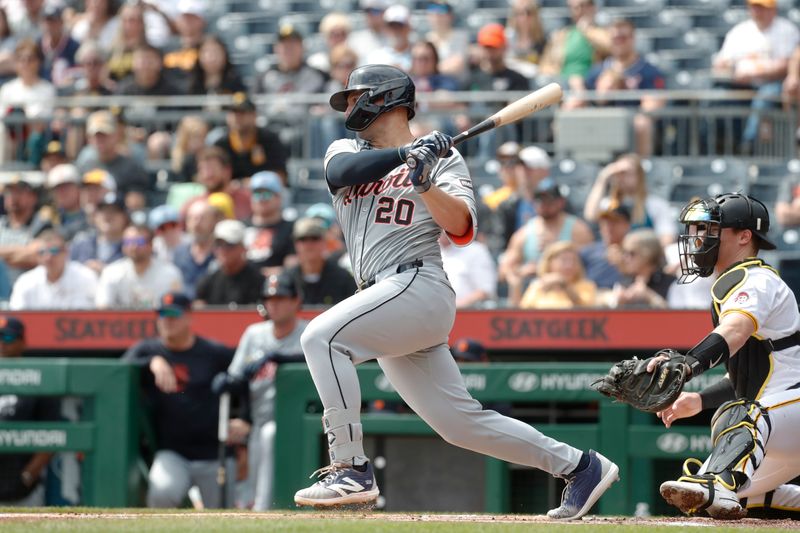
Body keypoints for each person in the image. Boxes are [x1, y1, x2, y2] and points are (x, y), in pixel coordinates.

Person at [291, 64, 619, 518]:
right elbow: (343, 172)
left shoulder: (443, 160)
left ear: (385, 97)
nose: (348, 105)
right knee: (459, 424)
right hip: (382, 298)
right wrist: (408, 153)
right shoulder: (346, 148)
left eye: (355, 95)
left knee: (321, 337)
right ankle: (581, 466)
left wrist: (424, 180)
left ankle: (350, 466)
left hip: (416, 285)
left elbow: (461, 229)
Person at [649, 193, 800, 520]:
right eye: (698, 229)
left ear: (744, 236)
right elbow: (750, 373)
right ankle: (722, 486)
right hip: (777, 421)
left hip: (786, 413)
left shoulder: (756, 279)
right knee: (713, 499)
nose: (698, 238)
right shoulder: (732, 283)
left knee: (736, 420)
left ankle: (718, 481)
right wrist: (700, 399)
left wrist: (689, 364)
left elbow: (735, 332)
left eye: (710, 229)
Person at [122, 292, 235, 509]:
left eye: (174, 314)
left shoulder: (213, 352)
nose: (167, 320)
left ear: (189, 316)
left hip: (215, 453)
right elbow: (116, 374)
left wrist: (244, 421)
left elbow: (242, 381)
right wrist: (150, 362)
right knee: (162, 493)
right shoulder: (148, 349)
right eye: (162, 314)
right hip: (172, 453)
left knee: (223, 515)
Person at [212, 273, 307, 510]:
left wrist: (278, 357)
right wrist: (226, 383)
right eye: (269, 298)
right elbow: (237, 377)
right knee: (260, 438)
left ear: (296, 300)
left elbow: (315, 358)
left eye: (281, 298)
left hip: (298, 423)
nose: (274, 304)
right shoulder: (254, 334)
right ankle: (254, 507)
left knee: (269, 434)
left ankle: (263, 509)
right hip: (257, 420)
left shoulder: (309, 332)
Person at [568, 18, 666, 157]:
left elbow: (654, 105)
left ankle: (640, 167)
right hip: (600, 127)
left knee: (642, 123)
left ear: (633, 39)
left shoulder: (648, 71)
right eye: (615, 38)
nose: (618, 42)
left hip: (631, 130)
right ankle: (570, 164)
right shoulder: (597, 71)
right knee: (571, 108)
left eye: (623, 38)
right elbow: (587, 97)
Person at [712, 0, 799, 152]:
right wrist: (736, 70)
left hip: (773, 84)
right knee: (715, 99)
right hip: (739, 85)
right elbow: (720, 64)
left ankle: (749, 145)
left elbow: (788, 64)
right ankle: (712, 147)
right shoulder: (739, 31)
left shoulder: (786, 30)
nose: (758, 12)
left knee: (765, 97)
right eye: (755, 7)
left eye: (763, 8)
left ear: (773, 10)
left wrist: (757, 71)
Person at [498, 177, 594, 306]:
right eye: (539, 200)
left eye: (549, 200)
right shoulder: (524, 234)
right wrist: (522, 270)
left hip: (572, 295)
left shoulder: (578, 230)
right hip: (537, 293)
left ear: (561, 202)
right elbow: (505, 271)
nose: (544, 204)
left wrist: (559, 254)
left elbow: (590, 264)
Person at [0, 315, 60, 506]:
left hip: (23, 492)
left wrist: (26, 476)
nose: (1, 343)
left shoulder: (38, 378)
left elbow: (52, 436)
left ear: (22, 342)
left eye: (7, 338)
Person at [583, 153, 675, 246]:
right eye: (618, 173)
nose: (621, 177)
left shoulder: (655, 205)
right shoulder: (609, 204)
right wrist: (603, 177)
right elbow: (591, 215)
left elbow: (667, 238)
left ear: (639, 176)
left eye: (627, 173)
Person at [96, 224, 184, 309]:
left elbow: (174, 309)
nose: (134, 247)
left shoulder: (169, 273)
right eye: (128, 242)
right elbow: (103, 307)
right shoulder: (111, 272)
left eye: (139, 242)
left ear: (151, 245)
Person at [9, 228, 98, 309]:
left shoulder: (86, 277)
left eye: (54, 251)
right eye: (42, 252)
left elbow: (98, 312)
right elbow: (16, 316)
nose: (48, 257)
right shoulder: (26, 282)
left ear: (66, 252)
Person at [212, 93, 288, 183]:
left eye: (242, 113)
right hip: (230, 193)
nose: (237, 117)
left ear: (254, 115)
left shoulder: (269, 139)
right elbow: (215, 178)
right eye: (233, 113)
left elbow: (280, 176)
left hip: (263, 192)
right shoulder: (221, 144)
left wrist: (251, 183)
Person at [283, 217, 355, 307]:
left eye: (314, 238)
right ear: (295, 244)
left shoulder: (343, 278)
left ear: (324, 242)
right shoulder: (286, 280)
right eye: (303, 239)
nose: (309, 244)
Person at [539, 0, 610, 88]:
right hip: (563, 82)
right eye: (575, 7)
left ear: (592, 7)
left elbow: (611, 47)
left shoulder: (602, 32)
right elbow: (545, 65)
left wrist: (587, 29)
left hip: (591, 80)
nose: (579, 10)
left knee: (577, 82)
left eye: (583, 6)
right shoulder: (561, 35)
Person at [194, 219, 264, 308]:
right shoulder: (207, 283)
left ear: (243, 247)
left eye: (229, 244)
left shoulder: (258, 282)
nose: (223, 250)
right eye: (218, 244)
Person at [606, 229, 673, 309]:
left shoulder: (671, 284)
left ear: (648, 254)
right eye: (624, 253)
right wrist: (618, 304)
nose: (625, 258)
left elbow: (680, 318)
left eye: (631, 253)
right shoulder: (624, 284)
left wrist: (650, 297)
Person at [519, 241, 597, 309]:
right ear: (550, 263)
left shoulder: (587, 286)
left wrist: (565, 285)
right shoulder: (537, 286)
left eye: (574, 260)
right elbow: (525, 311)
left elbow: (586, 310)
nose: (569, 265)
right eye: (564, 260)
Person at [242, 171, 295, 272]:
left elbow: (292, 268)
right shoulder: (241, 227)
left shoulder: (290, 229)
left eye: (266, 194)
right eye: (257, 194)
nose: (261, 199)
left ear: (278, 197)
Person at [171, 198, 220, 300]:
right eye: (191, 218)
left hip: (215, 311)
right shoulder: (179, 254)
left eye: (202, 218)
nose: (196, 224)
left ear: (214, 222)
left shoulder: (222, 254)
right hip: (185, 312)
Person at [70, 190, 127, 274]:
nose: (108, 216)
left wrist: (105, 271)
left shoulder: (132, 246)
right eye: (103, 211)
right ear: (95, 216)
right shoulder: (81, 243)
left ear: (125, 217)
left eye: (114, 211)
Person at [438, 230, 496, 309]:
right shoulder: (425, 250)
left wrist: (455, 306)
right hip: (431, 313)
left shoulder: (476, 250)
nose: (443, 230)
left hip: (468, 313)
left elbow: (485, 290)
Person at [579, 200, 630, 290]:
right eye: (604, 222)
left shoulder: (636, 251)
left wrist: (622, 265)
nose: (609, 227)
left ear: (627, 224)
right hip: (592, 299)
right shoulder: (587, 252)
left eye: (615, 221)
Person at [365, 4, 413, 72]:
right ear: (385, 28)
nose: (396, 30)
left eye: (400, 26)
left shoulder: (420, 56)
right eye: (391, 26)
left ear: (409, 28)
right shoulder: (375, 57)